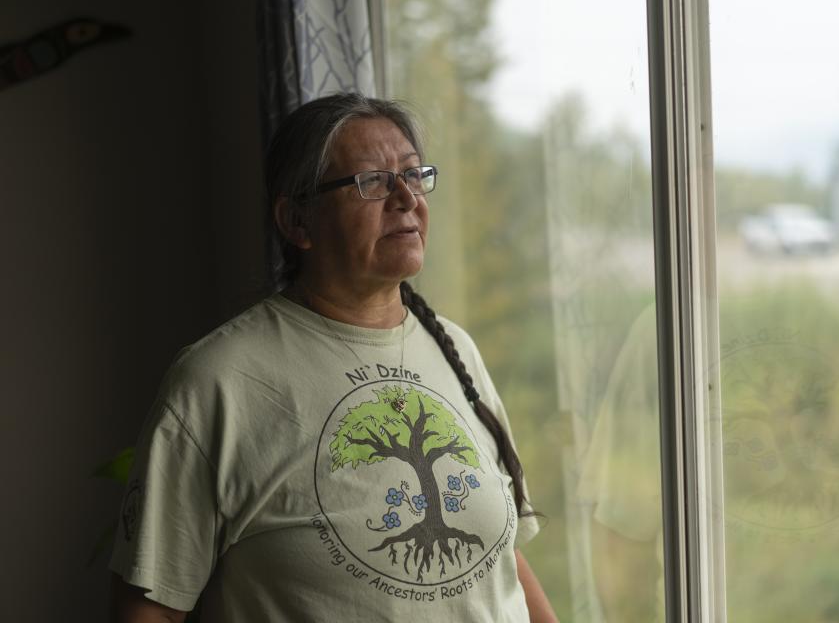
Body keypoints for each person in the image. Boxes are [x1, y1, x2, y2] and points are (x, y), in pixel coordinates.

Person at [109, 92, 557, 622]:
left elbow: (503, 560)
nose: (406, 198)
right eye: (373, 182)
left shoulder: (456, 350)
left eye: (414, 176)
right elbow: (148, 610)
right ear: (298, 221)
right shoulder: (218, 380)